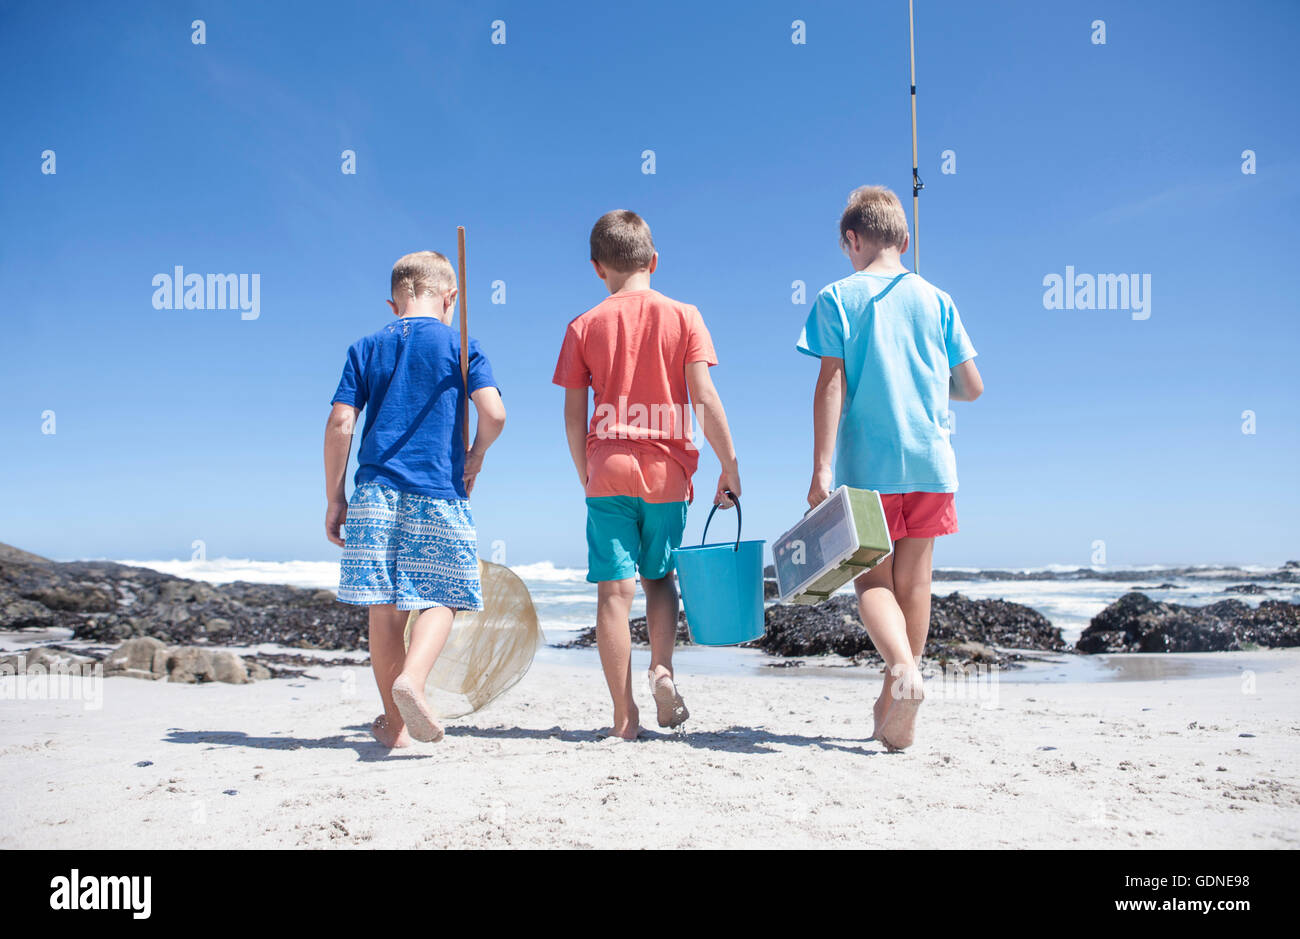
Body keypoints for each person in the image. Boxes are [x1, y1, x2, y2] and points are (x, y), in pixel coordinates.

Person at [798, 186, 983, 751]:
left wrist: (820, 470)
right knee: (916, 585)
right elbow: (972, 388)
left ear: (852, 240)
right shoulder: (938, 300)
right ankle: (894, 696)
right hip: (931, 463)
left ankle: (902, 674)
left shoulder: (837, 297)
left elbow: (831, 381)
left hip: (866, 469)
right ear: (905, 241)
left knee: (872, 584)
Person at [553, 210, 741, 740]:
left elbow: (572, 416)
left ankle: (623, 718)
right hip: (667, 470)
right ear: (653, 260)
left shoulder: (583, 325)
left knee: (614, 593)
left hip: (608, 467)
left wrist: (586, 471)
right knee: (659, 578)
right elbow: (703, 398)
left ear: (597, 268)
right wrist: (730, 465)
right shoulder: (685, 316)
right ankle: (663, 669)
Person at [325, 250, 506, 748]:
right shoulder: (461, 343)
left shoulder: (366, 347)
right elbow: (494, 415)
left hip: (374, 494)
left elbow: (342, 423)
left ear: (394, 302)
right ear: (450, 298)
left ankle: (393, 725)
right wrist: (476, 455)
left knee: (384, 611)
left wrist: (335, 497)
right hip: (437, 490)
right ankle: (414, 680)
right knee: (444, 593)